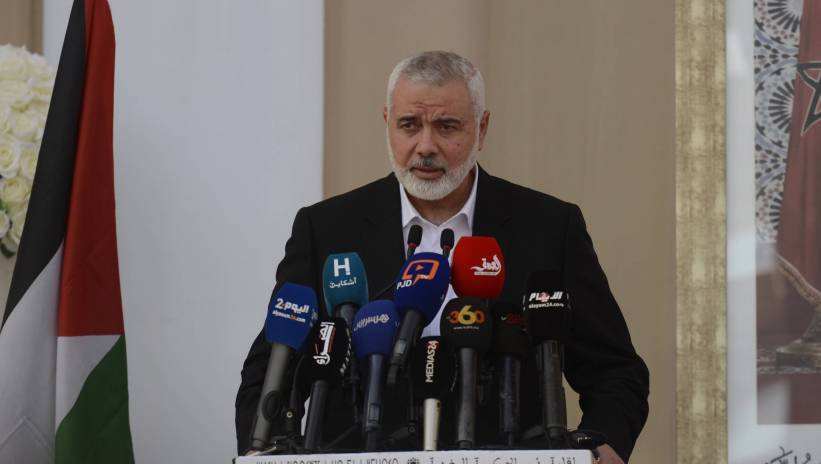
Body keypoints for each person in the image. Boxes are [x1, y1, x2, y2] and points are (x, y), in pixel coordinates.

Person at [236, 51, 649, 463]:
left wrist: (603, 448)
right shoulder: (326, 228)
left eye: (446, 126)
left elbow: (615, 371)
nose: (426, 146)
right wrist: (262, 451)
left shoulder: (548, 227)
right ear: (387, 125)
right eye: (409, 125)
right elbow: (272, 368)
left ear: (482, 128)